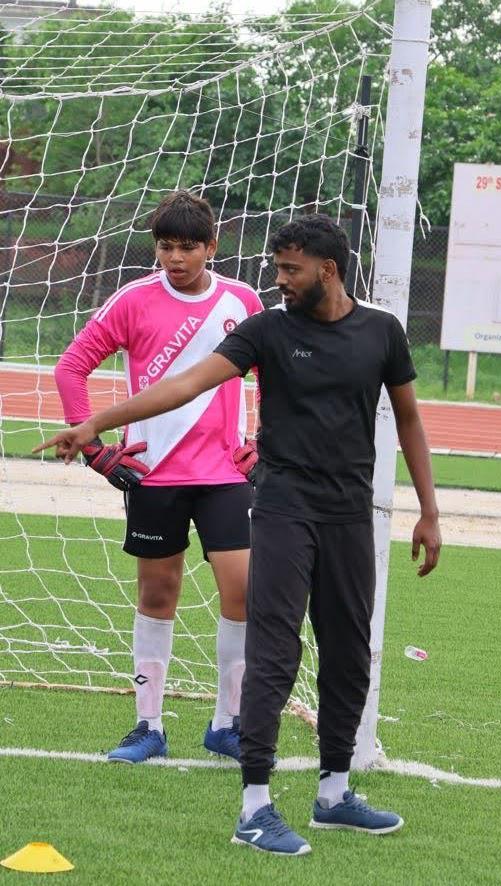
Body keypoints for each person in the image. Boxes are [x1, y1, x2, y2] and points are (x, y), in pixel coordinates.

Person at [37, 214, 441, 855]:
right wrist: (96, 425)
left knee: (348, 652)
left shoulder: (381, 331)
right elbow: (184, 385)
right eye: (277, 268)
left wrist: (429, 511)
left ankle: (334, 794)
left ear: (328, 270)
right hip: (281, 509)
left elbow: (410, 419)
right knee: (274, 649)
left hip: (348, 516)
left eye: (290, 270)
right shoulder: (267, 329)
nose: (280, 280)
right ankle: (254, 807)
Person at [53, 190, 262, 764]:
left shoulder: (243, 301)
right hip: (154, 475)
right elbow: (71, 367)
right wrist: (94, 449)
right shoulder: (133, 300)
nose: (175, 258)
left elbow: (272, 372)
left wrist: (263, 439)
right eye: (166, 246)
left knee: (243, 591)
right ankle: (148, 726)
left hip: (224, 474)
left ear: (212, 247)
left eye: (187, 247)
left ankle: (228, 724)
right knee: (157, 592)